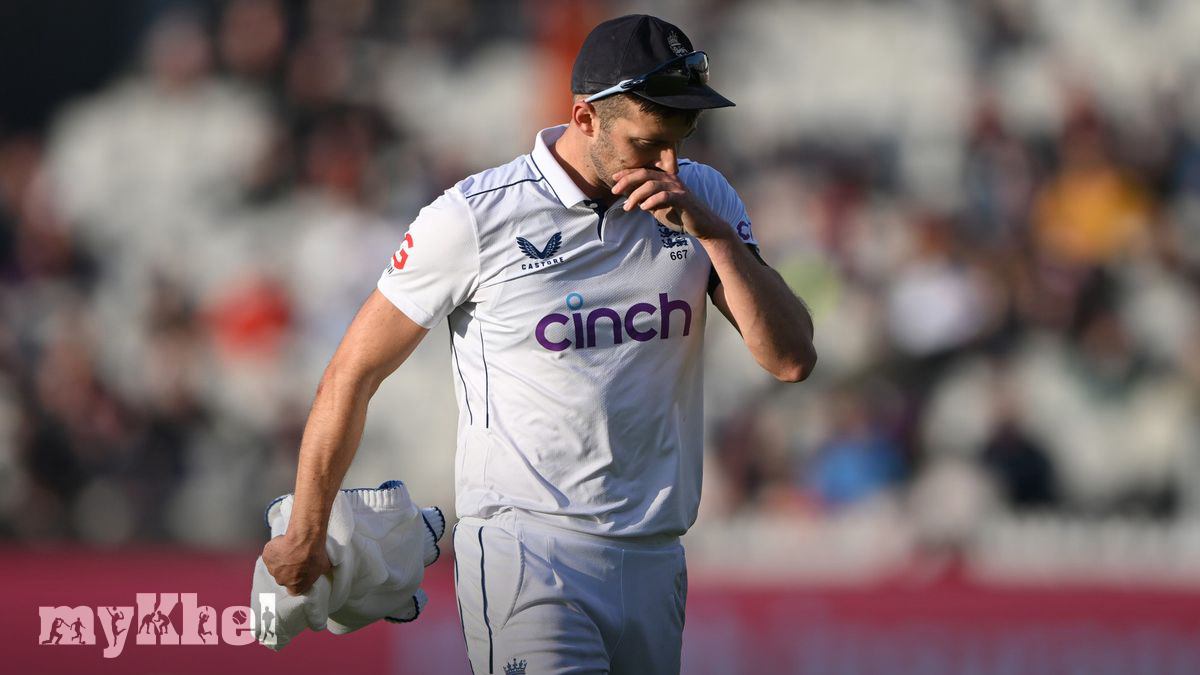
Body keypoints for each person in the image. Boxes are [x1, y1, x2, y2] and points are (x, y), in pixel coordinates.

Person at [262, 14, 816, 674]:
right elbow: (352, 371)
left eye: (680, 141)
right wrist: (308, 528)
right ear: (585, 118)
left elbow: (790, 359)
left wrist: (716, 235)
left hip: (658, 555)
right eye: (648, 144)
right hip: (529, 555)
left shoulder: (704, 197)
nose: (669, 166)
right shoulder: (474, 217)